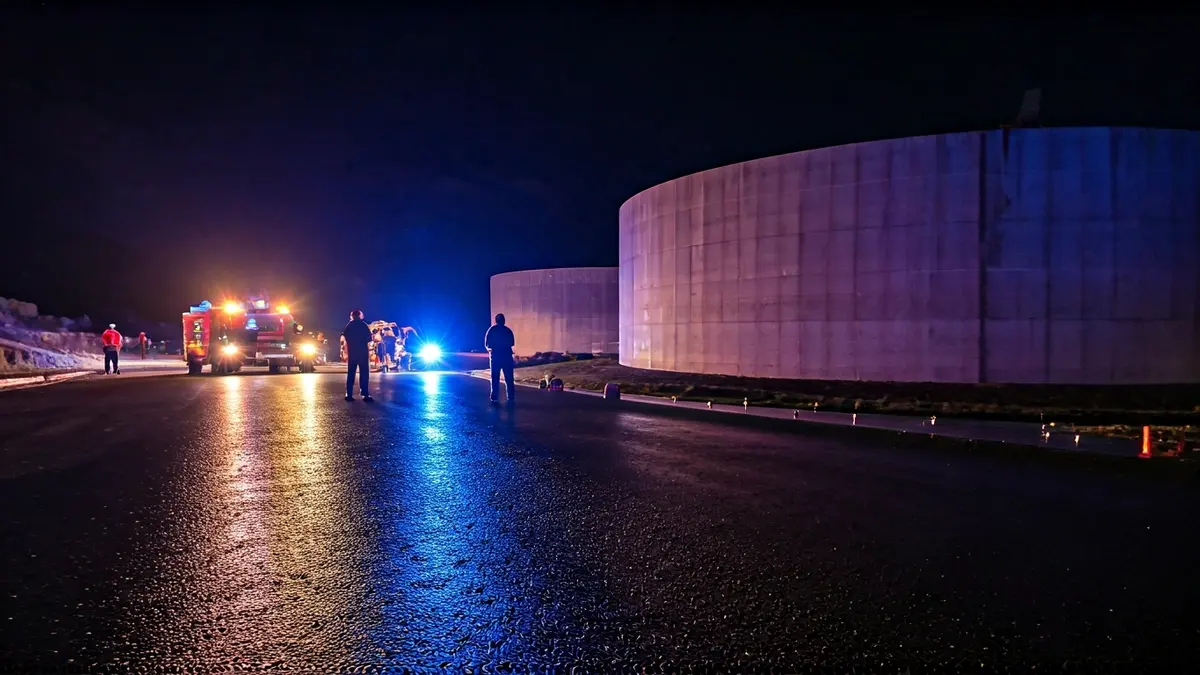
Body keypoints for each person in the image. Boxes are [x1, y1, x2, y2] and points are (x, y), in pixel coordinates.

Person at [342, 309, 373, 402]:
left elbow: (345, 336)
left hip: (353, 353)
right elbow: (369, 338)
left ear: (352, 316)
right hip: (363, 352)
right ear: (360, 316)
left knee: (351, 373)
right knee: (364, 373)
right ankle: (365, 393)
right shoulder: (364, 325)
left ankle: (349, 394)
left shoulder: (349, 325)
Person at [484, 313, 516, 404]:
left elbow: (487, 344)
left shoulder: (491, 330)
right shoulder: (507, 330)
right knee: (509, 378)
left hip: (496, 357)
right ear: (504, 320)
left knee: (495, 378)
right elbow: (512, 343)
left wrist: (491, 349)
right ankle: (511, 396)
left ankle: (494, 397)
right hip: (506, 356)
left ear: (496, 320)